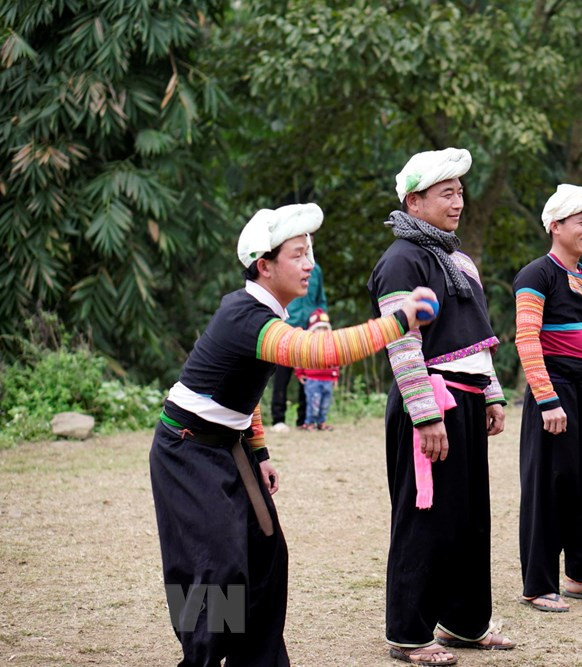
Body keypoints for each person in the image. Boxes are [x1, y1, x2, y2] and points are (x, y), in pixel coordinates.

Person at [149, 202, 437, 666]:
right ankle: (202, 659)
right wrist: (398, 320)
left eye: (310, 253)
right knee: (216, 566)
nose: (310, 265)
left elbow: (247, 390)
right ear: (264, 266)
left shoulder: (265, 316)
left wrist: (258, 449)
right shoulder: (245, 316)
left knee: (266, 554)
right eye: (298, 254)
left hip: (231, 447)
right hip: (185, 449)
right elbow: (320, 351)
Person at [367, 147, 515, 666]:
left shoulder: (459, 259)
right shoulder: (400, 260)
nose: (458, 201)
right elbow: (403, 343)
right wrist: (426, 413)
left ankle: (465, 623)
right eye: (446, 192)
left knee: (470, 517)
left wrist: (493, 394)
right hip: (429, 402)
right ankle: (408, 633)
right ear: (414, 200)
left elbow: (476, 339)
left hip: (470, 401)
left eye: (460, 191)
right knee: (424, 516)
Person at [513, 184, 582, 613]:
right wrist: (546, 399)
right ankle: (538, 584)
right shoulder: (535, 275)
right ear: (555, 226)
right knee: (548, 488)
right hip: (553, 394)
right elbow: (526, 339)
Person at [270, 261, 327, 432]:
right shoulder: (284, 267)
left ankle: (304, 420)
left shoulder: (316, 270)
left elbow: (320, 301)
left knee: (309, 377)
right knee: (281, 377)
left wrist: (320, 321)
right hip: (286, 329)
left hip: (309, 331)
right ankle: (278, 419)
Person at [294, 308, 339, 432]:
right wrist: (299, 373)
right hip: (313, 380)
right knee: (313, 403)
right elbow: (299, 360)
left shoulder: (330, 346)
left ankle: (322, 422)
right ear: (313, 330)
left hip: (327, 380)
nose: (321, 331)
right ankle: (309, 423)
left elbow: (335, 362)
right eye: (318, 328)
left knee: (325, 404)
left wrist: (335, 377)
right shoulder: (308, 346)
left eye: (324, 329)